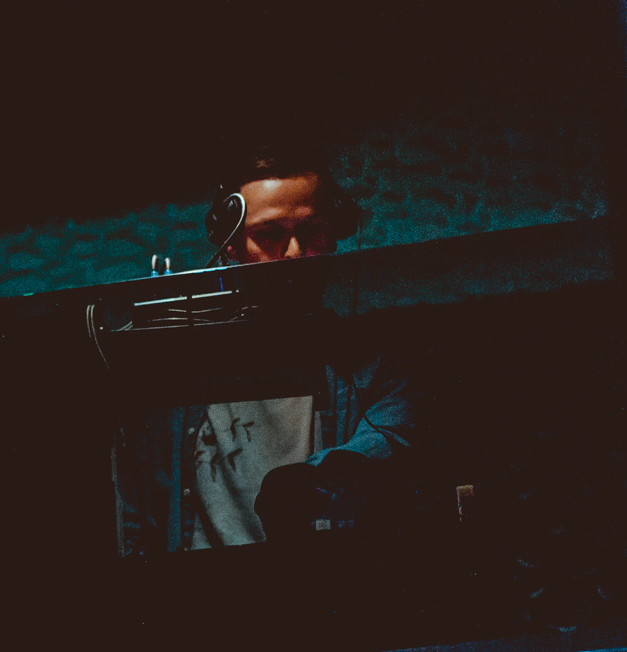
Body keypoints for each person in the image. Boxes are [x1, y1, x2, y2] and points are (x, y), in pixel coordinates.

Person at [115, 147, 416, 553]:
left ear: (334, 237)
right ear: (230, 247)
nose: (293, 253)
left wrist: (304, 484)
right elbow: (134, 511)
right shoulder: (175, 374)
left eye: (311, 233)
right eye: (271, 235)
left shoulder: (373, 366)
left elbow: (389, 446)